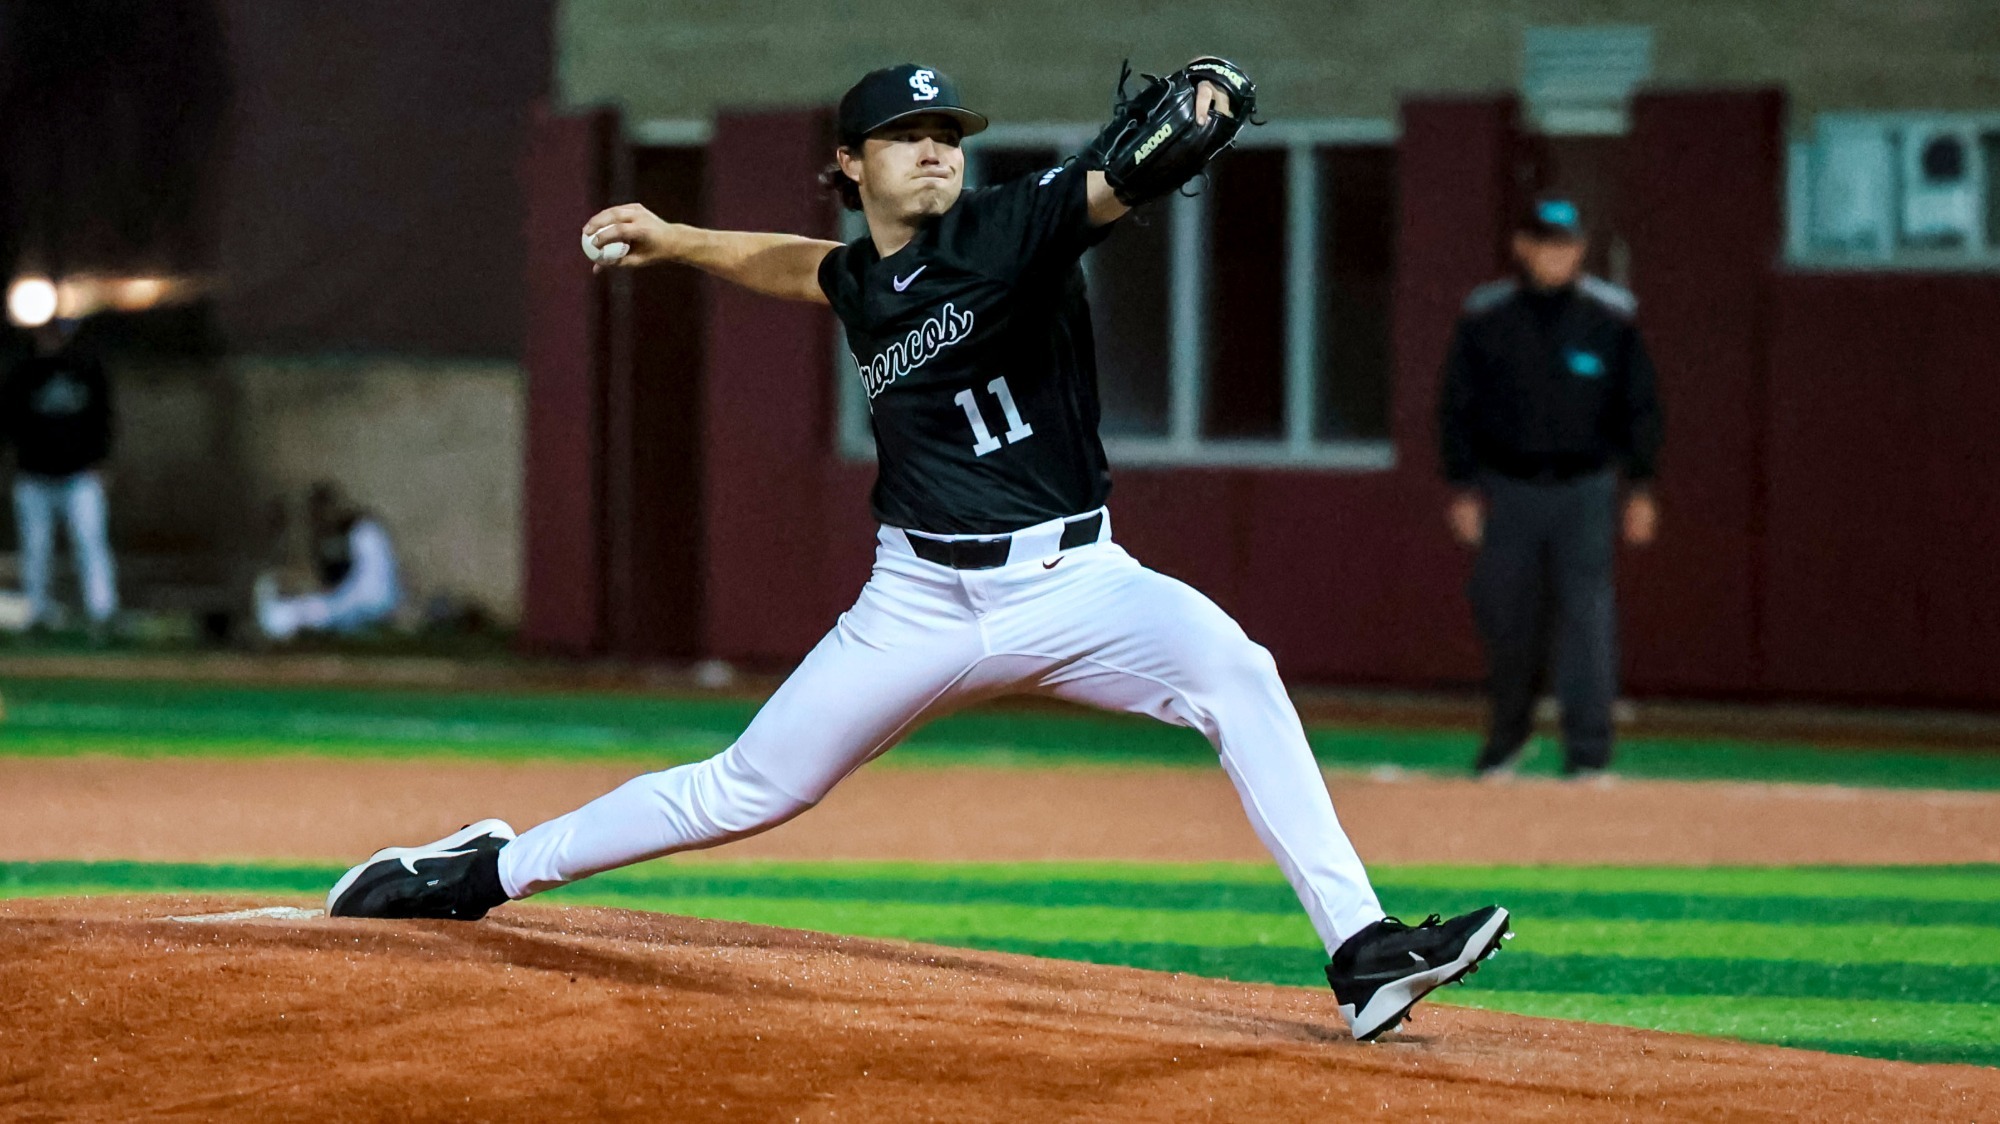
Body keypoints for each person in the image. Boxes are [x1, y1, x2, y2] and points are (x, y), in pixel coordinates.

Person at [328, 61, 1509, 1041]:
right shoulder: (862, 276)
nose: (935, 150)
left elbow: (1109, 181)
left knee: (1235, 671)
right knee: (746, 787)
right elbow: (799, 267)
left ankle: (1361, 951)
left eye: (946, 134)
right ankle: (483, 870)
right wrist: (678, 238)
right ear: (849, 165)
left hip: (1079, 582)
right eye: (906, 135)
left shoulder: (1012, 222)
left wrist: (1189, 122)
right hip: (918, 599)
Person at [1437, 195, 1665, 780]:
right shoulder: (1487, 317)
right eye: (1545, 244)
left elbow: (1640, 406)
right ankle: (1504, 746)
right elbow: (1456, 406)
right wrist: (1463, 486)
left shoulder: (1611, 317)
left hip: (1585, 489)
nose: (1556, 256)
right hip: (1508, 489)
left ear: (1580, 250)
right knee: (1507, 616)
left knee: (1587, 621)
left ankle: (1588, 754)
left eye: (1567, 246)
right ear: (1522, 247)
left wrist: (1641, 486)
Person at [0, 318, 118, 633]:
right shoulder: (22, 370)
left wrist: (101, 462)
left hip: (80, 476)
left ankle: (102, 613)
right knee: (36, 549)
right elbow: (8, 422)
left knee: (90, 543)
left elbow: (103, 418)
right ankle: (37, 615)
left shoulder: (85, 367)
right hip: (33, 476)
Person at [253, 480, 401, 640]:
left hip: (363, 600)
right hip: (359, 599)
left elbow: (357, 588)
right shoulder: (353, 533)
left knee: (301, 611)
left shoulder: (362, 532)